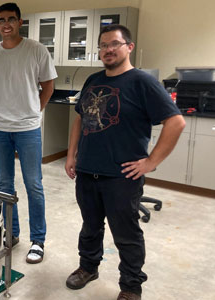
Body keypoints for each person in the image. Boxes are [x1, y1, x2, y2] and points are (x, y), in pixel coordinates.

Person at [64, 24, 186, 300]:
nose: (108, 50)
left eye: (114, 44)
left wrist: (150, 162)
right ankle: (88, 267)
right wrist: (72, 154)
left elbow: (176, 122)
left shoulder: (143, 82)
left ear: (129, 47)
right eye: (103, 45)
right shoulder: (92, 80)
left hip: (122, 176)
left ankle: (131, 286)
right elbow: (81, 118)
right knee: (90, 226)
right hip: (87, 171)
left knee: (126, 234)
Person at [0, 2, 57, 264]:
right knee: (4, 186)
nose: (6, 24)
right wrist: (0, 112)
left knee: (34, 185)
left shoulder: (36, 50)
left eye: (11, 19)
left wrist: (33, 111)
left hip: (28, 129)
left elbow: (48, 86)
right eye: (1, 20)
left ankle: (38, 240)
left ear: (20, 22)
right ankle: (12, 233)